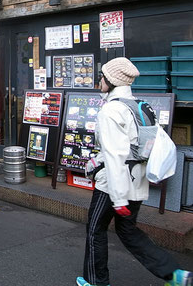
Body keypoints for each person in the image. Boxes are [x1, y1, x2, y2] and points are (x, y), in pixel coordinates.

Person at [77, 57, 192, 286]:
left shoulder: (111, 111)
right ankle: (173, 274)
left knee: (95, 231)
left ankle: (96, 282)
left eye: (102, 76)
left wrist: (118, 198)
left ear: (111, 80)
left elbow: (114, 156)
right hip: (137, 181)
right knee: (128, 231)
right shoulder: (142, 107)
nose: (100, 80)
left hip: (113, 185)